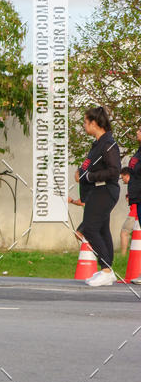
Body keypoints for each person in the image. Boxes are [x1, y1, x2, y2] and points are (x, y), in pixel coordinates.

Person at [74, 106, 121, 287]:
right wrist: (80, 172)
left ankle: (107, 269)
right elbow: (89, 166)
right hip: (96, 191)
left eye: (86, 122)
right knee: (102, 230)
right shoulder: (97, 144)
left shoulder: (108, 144)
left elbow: (114, 171)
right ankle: (107, 271)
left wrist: (90, 176)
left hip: (105, 190)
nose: (84, 126)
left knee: (90, 229)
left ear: (94, 123)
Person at [119, 168, 137, 255]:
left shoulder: (133, 183)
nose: (122, 180)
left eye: (123, 177)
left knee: (124, 233)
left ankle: (123, 255)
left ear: (127, 175)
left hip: (134, 212)